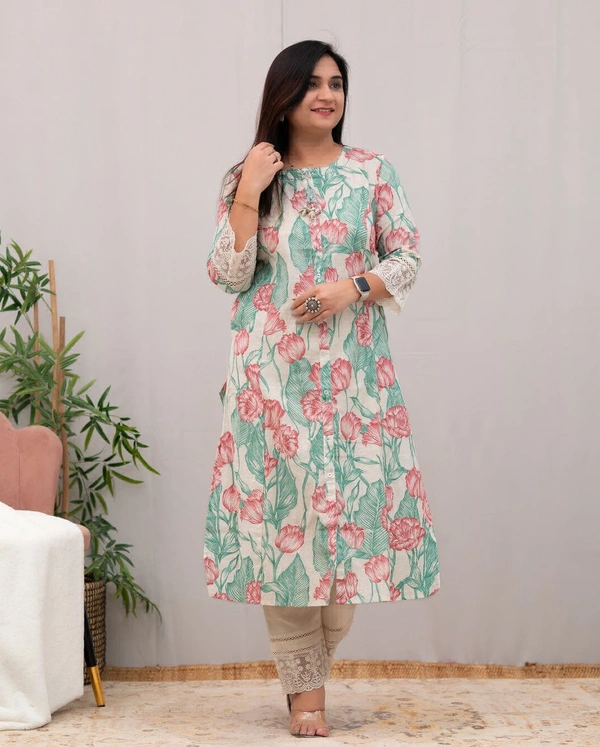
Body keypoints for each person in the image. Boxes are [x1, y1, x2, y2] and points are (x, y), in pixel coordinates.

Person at [204, 39, 440, 738]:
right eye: (311, 83)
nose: (326, 95)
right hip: (269, 383)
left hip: (353, 384)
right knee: (285, 536)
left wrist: (351, 288)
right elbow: (229, 274)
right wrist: (248, 190)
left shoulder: (372, 173)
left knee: (349, 538)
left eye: (336, 83)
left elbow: (407, 257)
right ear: (284, 95)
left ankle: (306, 667)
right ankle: (306, 693)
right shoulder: (250, 177)